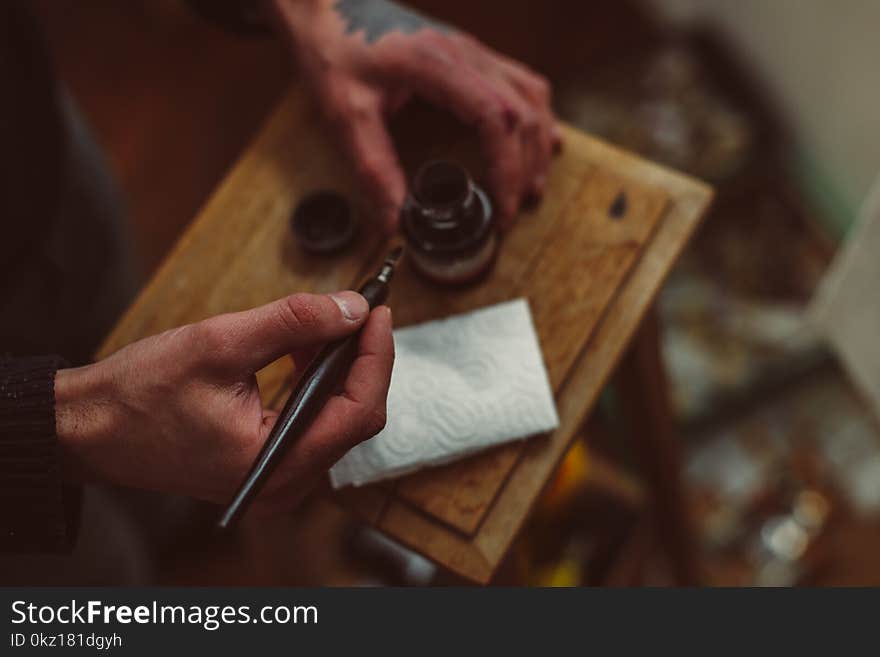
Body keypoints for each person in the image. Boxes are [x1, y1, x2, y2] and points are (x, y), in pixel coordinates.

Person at [0, 0, 557, 563]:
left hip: (31, 145)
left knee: (114, 333)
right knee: (100, 568)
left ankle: (182, 524)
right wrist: (63, 427)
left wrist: (309, 12)